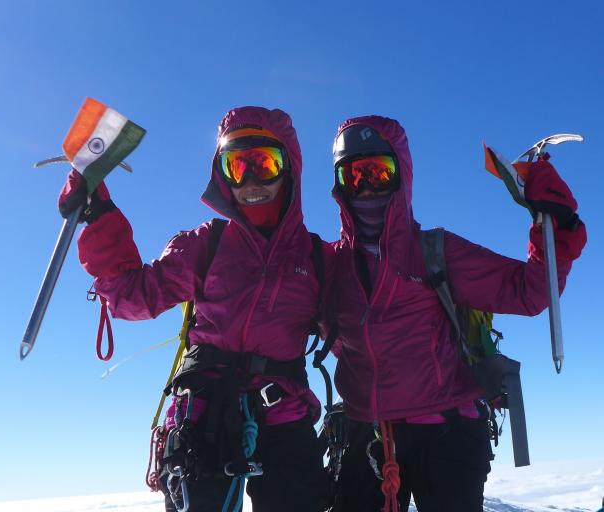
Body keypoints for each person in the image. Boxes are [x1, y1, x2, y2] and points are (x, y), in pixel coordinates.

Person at [58, 106, 331, 512]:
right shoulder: (207, 243)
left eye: (265, 164)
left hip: (284, 415)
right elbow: (135, 296)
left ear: (289, 169)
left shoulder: (318, 259)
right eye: (237, 166)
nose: (251, 180)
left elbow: (364, 328)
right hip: (203, 411)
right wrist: (98, 215)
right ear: (222, 175)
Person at [326, 115, 587, 512]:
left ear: (401, 175)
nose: (365, 187)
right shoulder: (330, 265)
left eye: (378, 172)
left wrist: (557, 225)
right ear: (339, 185)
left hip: (446, 433)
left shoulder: (435, 251)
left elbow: (529, 293)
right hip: (370, 432)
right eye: (353, 176)